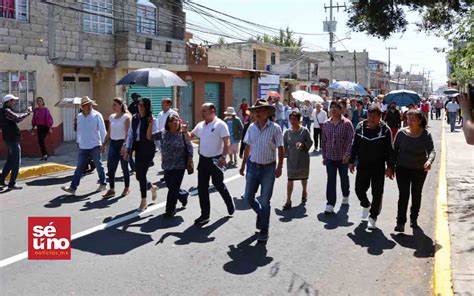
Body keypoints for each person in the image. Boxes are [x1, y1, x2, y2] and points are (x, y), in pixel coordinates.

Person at [240, 100, 284, 242]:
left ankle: (264, 230)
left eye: (260, 110)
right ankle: (262, 214)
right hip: (252, 166)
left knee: (265, 201)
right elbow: (248, 147)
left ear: (267, 113)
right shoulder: (251, 127)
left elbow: (281, 148)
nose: (257, 113)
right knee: (248, 197)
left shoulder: (275, 128)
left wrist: (279, 167)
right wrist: (242, 165)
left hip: (268, 168)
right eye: (256, 111)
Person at [187, 103, 235, 225]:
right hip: (203, 160)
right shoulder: (200, 125)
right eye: (201, 111)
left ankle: (229, 202)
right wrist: (184, 130)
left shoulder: (220, 124)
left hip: (216, 160)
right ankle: (205, 215)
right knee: (202, 188)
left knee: (218, 184)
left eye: (204, 111)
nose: (201, 113)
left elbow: (227, 142)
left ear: (212, 111)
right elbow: (190, 137)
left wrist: (224, 157)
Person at [349, 106, 394, 230]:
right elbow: (355, 145)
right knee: (359, 189)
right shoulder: (360, 127)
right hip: (362, 164)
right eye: (369, 116)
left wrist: (390, 167)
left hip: (378, 166)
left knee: (377, 192)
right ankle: (365, 204)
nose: (371, 119)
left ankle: (373, 217)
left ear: (380, 117)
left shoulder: (385, 130)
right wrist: (351, 161)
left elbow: (390, 150)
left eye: (375, 116)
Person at [393, 109, 435, 232]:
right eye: (408, 119)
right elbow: (394, 151)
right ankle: (400, 222)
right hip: (402, 168)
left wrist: (429, 161)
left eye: (413, 120)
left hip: (419, 170)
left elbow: (432, 150)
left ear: (420, 121)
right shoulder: (401, 133)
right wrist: (390, 167)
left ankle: (413, 218)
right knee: (403, 195)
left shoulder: (426, 134)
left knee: (416, 194)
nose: (409, 122)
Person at [61, 97, 107, 195]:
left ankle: (103, 183)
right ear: (83, 107)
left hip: (95, 145)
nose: (89, 106)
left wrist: (104, 143)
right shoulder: (79, 117)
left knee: (98, 165)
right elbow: (79, 130)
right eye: (87, 105)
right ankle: (73, 188)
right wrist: (78, 141)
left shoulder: (97, 115)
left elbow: (103, 130)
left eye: (90, 104)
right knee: (79, 167)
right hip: (84, 146)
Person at [123, 98, 159, 212]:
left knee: (142, 174)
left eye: (143, 105)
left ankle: (144, 200)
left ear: (147, 107)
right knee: (139, 176)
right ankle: (152, 187)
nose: (141, 107)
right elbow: (130, 134)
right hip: (138, 148)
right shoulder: (134, 118)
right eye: (139, 104)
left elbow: (156, 136)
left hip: (148, 149)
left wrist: (163, 152)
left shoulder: (152, 119)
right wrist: (127, 148)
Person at [321, 100, 354, 214]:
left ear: (342, 110)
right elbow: (324, 141)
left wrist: (348, 154)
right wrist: (324, 156)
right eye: (332, 107)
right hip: (330, 157)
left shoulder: (347, 124)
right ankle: (330, 203)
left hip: (342, 157)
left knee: (343, 177)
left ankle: (345, 194)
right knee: (331, 180)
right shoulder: (326, 124)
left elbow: (351, 140)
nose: (334, 109)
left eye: (337, 107)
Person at [161, 114, 193, 217]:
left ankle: (170, 209)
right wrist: (150, 123)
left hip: (180, 165)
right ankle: (183, 195)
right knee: (170, 185)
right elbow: (149, 136)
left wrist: (189, 161)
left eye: (177, 120)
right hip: (167, 165)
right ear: (168, 123)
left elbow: (190, 148)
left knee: (173, 188)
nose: (175, 122)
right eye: (172, 120)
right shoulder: (163, 133)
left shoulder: (182, 134)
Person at [0, 94, 32, 190]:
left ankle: (1, 180)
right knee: (16, 161)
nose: (14, 102)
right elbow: (17, 118)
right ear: (8, 102)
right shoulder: (7, 111)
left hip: (8, 138)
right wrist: (28, 112)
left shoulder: (2, 111)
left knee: (10, 161)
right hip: (13, 138)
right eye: (13, 101)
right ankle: (12, 183)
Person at [102, 98, 131, 199]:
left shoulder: (126, 117)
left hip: (122, 144)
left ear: (120, 105)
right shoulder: (111, 117)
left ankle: (127, 188)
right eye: (113, 104)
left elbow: (128, 134)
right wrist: (104, 143)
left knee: (124, 167)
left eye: (115, 105)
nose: (113, 106)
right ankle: (112, 189)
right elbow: (109, 132)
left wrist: (125, 146)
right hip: (113, 144)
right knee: (110, 167)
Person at [283, 111, 313, 209]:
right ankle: (288, 200)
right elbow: (284, 146)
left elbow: (310, 142)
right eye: (291, 119)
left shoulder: (304, 131)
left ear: (299, 120)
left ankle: (304, 191)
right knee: (290, 179)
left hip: (303, 159)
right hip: (291, 159)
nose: (292, 121)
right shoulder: (287, 132)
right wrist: (282, 156)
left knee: (304, 178)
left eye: (294, 119)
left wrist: (303, 145)